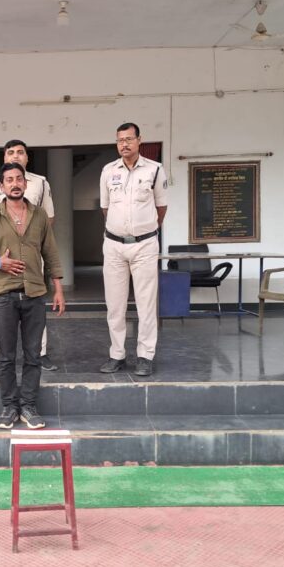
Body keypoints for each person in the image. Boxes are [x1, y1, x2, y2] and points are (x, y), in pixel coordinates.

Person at [0, 162, 65, 429]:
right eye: (9, 180)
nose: (14, 183)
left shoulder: (40, 216)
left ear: (25, 183)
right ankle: (10, 407)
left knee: (34, 355)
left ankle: (29, 407)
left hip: (35, 294)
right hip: (5, 296)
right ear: (1, 186)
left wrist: (58, 290)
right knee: (7, 356)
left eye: (19, 179)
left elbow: (51, 254)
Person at [0, 139, 58, 372]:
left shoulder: (40, 182)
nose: (16, 156)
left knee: (36, 303)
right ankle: (0, 354)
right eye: (11, 152)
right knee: (4, 309)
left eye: (21, 152)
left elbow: (48, 217)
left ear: (27, 157)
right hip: (5, 258)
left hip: (32, 255)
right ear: (4, 157)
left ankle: (40, 353)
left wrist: (31, 239)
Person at [99, 122, 168, 377]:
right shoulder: (108, 171)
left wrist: (144, 229)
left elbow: (161, 207)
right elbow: (105, 208)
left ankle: (145, 356)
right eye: (120, 140)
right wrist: (121, 229)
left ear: (140, 140)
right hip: (114, 245)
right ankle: (117, 354)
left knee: (146, 304)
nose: (124, 144)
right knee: (115, 305)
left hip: (145, 245)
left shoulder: (155, 169)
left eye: (129, 139)